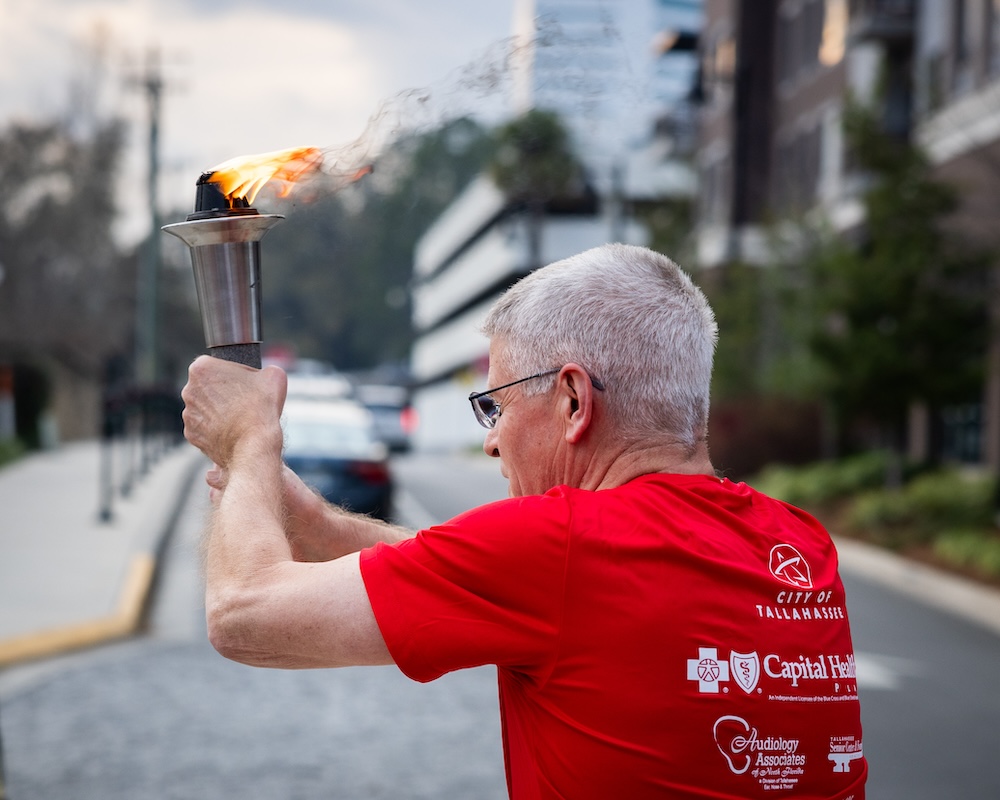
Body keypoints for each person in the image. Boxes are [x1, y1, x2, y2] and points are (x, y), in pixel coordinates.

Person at [181, 243, 867, 799]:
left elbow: (243, 614)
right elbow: (498, 573)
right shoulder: (800, 542)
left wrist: (248, 439)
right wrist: (320, 528)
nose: (491, 440)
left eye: (497, 405)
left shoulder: (559, 545)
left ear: (573, 401)